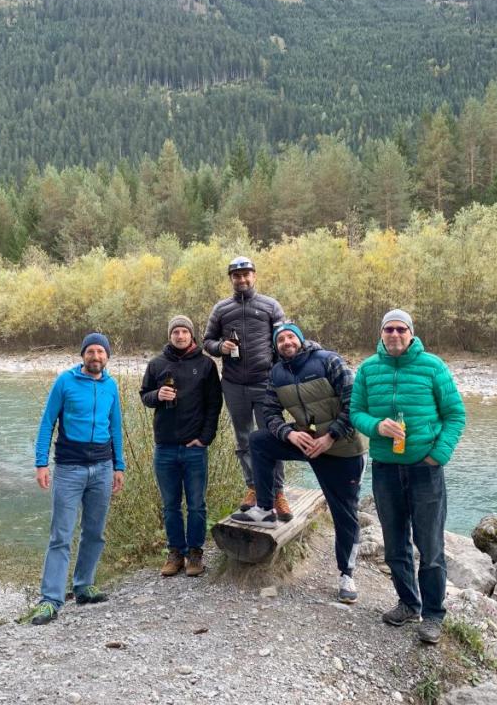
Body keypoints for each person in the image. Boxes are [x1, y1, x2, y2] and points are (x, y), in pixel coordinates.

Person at [350, 309, 466, 644]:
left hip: (424, 469)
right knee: (395, 544)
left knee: (430, 546)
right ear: (381, 333)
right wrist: (376, 426)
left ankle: (433, 615)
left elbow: (455, 415)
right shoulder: (368, 369)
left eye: (401, 329)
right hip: (386, 469)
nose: (395, 335)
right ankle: (408, 604)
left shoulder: (432, 366)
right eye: (389, 329)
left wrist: (438, 455)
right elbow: (355, 412)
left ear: (411, 333)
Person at [231, 322, 367, 604]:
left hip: (342, 448)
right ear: (276, 346)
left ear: (301, 340)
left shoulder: (329, 361)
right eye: (280, 339)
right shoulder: (277, 373)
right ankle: (265, 509)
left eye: (291, 336)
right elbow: (270, 412)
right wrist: (289, 434)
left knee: (345, 513)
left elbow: (355, 404)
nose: (286, 342)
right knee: (259, 441)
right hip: (307, 441)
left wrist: (330, 437)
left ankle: (347, 574)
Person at [31, 332, 125, 626]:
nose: (96, 357)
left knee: (95, 532)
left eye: (101, 352)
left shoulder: (111, 386)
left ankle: (84, 585)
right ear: (83, 355)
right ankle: (50, 600)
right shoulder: (65, 382)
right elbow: (47, 423)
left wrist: (119, 466)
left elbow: (116, 428)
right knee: (61, 534)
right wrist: (41, 463)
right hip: (69, 469)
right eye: (91, 351)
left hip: (102, 468)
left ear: (107, 356)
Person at [203, 256, 290, 519]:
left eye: (246, 274)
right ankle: (253, 487)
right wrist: (221, 347)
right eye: (236, 276)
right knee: (243, 439)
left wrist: (279, 376)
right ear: (231, 279)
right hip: (233, 384)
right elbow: (207, 341)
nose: (241, 279)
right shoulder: (221, 309)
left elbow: (284, 341)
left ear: (254, 276)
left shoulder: (270, 306)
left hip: (265, 383)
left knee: (272, 437)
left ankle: (278, 493)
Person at [140, 315, 224, 577]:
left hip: (194, 447)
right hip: (164, 446)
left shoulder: (206, 364)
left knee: (196, 504)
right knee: (170, 505)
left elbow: (214, 404)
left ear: (191, 335)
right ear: (170, 335)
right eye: (175, 332)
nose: (179, 335)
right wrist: (157, 395)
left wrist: (205, 437)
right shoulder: (156, 364)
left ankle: (195, 553)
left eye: (184, 331)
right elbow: (145, 396)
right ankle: (176, 552)